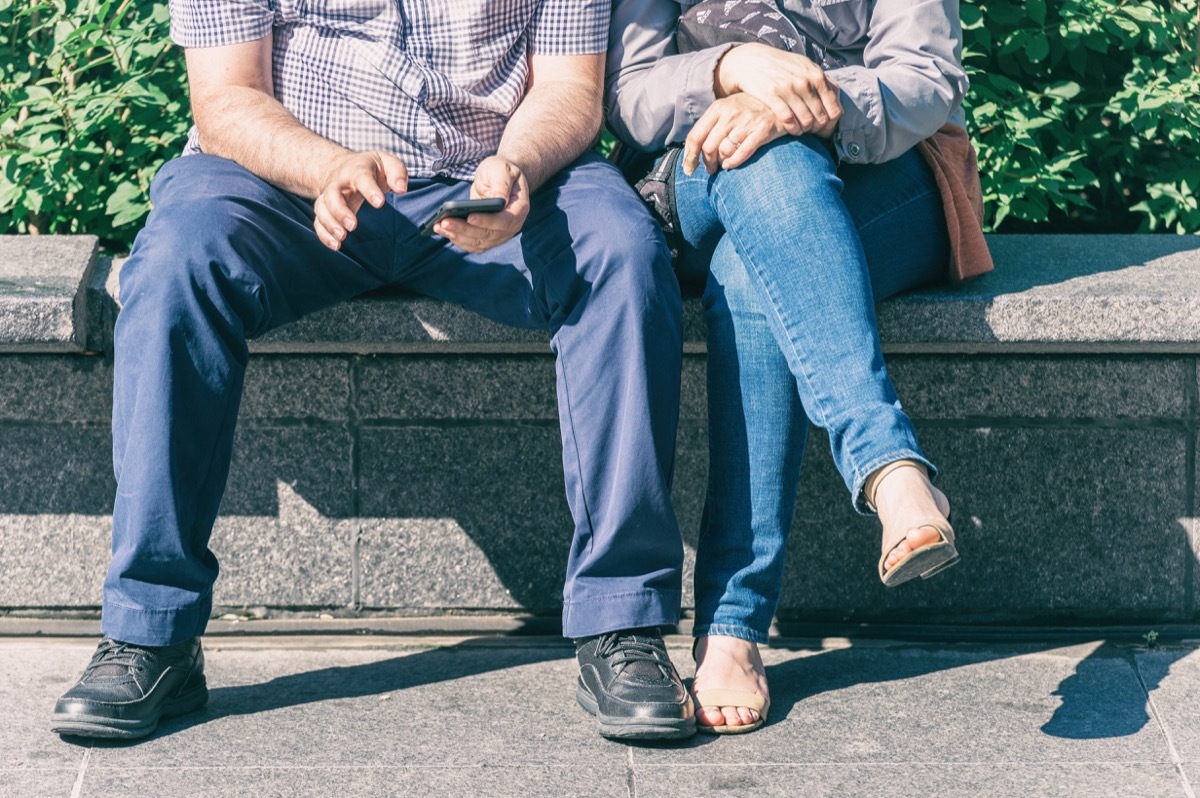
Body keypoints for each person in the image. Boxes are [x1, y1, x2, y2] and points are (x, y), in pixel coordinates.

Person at [51, 0, 696, 742]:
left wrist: (516, 168)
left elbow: (569, 89)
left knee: (621, 254)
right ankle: (150, 628)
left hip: (488, 176)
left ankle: (624, 621)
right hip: (284, 183)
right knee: (171, 268)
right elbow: (227, 97)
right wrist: (327, 166)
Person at [607, 0, 986, 733]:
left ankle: (734, 628)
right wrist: (729, 70)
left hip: (884, 180)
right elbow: (627, 93)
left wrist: (812, 103)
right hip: (699, 170)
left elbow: (928, 76)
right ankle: (889, 468)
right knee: (762, 158)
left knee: (754, 267)